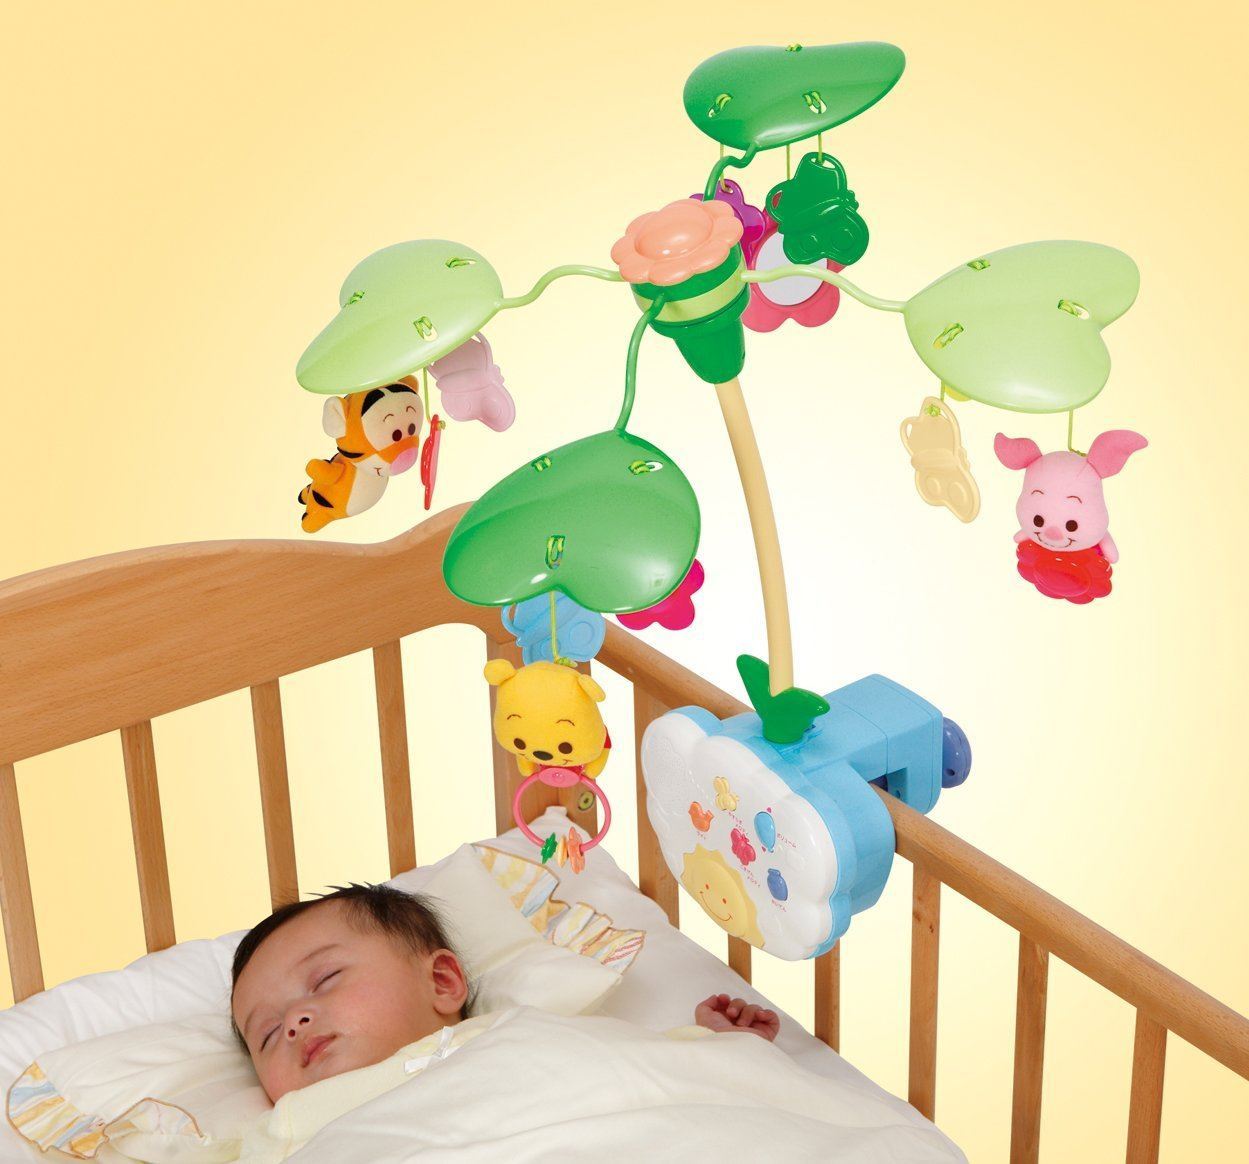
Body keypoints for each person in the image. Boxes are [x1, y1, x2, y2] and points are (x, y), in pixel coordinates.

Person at [230, 883, 779, 1103]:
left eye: (325, 979)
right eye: (268, 1034)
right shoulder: (294, 1129)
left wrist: (714, 1048)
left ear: (442, 982)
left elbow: (626, 1073)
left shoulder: (517, 1035)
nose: (294, 1022)